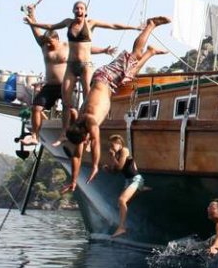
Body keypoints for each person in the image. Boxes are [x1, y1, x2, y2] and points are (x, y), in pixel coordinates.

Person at [65, 16, 169, 191]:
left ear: (85, 134)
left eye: (84, 140)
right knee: (131, 73)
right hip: (108, 84)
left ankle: (151, 25)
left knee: (135, 54)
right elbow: (77, 155)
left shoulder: (89, 120)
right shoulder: (80, 124)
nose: (85, 143)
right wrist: (74, 180)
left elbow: (95, 143)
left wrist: (95, 166)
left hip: (106, 78)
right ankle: (151, 52)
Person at [24, 1, 137, 125]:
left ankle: (88, 121)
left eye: (81, 8)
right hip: (70, 67)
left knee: (87, 96)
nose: (79, 10)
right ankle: (64, 131)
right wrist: (32, 22)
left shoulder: (89, 24)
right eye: (76, 8)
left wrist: (133, 27)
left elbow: (112, 26)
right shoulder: (68, 23)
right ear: (73, 11)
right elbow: (50, 26)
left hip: (85, 65)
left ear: (85, 11)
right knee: (66, 103)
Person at [22, 4, 117, 146]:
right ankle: (35, 136)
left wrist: (104, 50)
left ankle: (72, 133)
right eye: (46, 42)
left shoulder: (67, 46)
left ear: (57, 39)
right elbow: (36, 30)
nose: (48, 45)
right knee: (36, 107)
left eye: (50, 42)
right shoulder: (44, 46)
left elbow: (87, 48)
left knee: (72, 110)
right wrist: (32, 15)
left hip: (64, 84)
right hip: (50, 86)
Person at [88, 136, 144, 238]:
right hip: (128, 181)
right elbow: (115, 171)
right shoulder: (117, 154)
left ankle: (121, 227)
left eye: (112, 145)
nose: (111, 148)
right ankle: (140, 189)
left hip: (136, 179)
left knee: (122, 200)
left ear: (119, 143)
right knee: (120, 205)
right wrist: (108, 169)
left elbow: (120, 167)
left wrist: (113, 157)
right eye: (110, 145)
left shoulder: (124, 151)